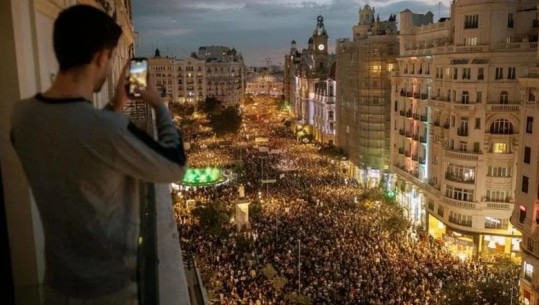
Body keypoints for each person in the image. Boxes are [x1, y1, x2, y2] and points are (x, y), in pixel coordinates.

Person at [10, 4, 187, 305]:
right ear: (101, 57)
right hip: (109, 292)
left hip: (56, 287)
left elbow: (77, 142)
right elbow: (174, 165)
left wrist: (117, 103)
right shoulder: (108, 130)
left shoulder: (22, 116)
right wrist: (159, 105)